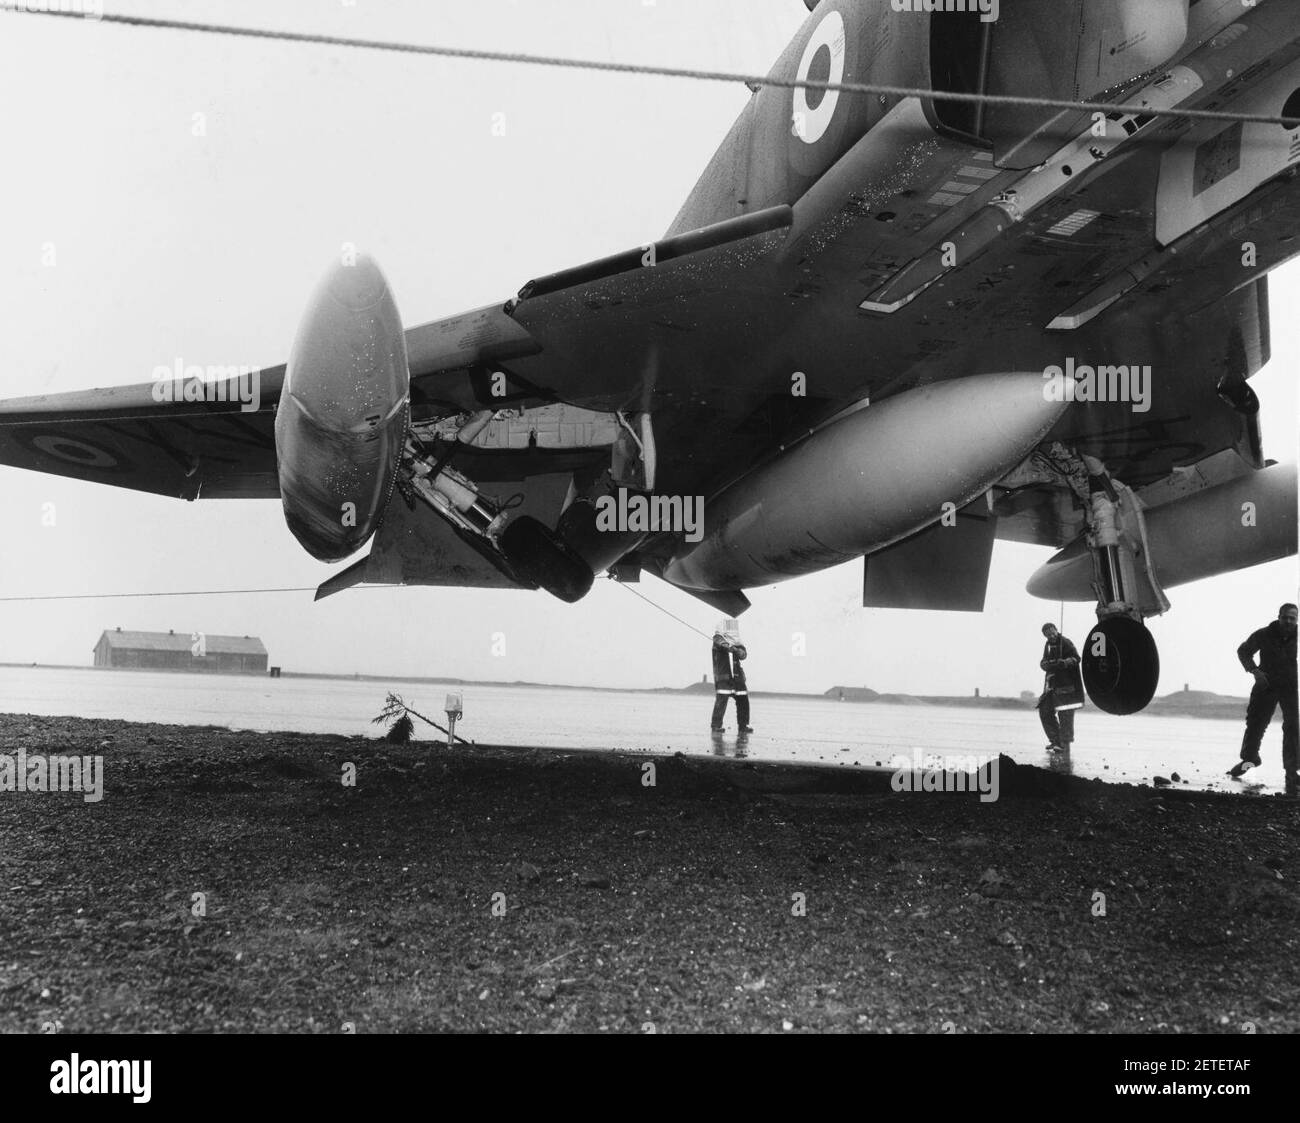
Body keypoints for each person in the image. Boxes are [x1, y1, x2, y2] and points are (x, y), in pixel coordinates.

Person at [1228, 603, 1297, 795]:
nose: (1289, 621)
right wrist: (1254, 671)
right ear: (1279, 616)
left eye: (1293, 618)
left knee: (1293, 726)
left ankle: (1291, 771)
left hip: (1290, 687)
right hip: (1265, 684)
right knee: (1256, 724)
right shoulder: (1264, 634)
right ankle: (1250, 759)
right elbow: (1243, 651)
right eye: (1286, 617)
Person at [1037, 622, 1083, 752]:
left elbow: (1076, 658)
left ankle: (1064, 744)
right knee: (1045, 711)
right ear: (1045, 636)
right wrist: (1045, 664)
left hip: (1066, 687)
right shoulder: (1048, 646)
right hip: (1051, 686)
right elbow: (1043, 661)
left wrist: (1064, 663)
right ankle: (1055, 740)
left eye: (1052, 632)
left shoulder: (1066, 642)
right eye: (1048, 634)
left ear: (1056, 630)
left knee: (1065, 715)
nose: (1051, 636)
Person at [710, 623, 752, 733]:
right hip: (724, 677)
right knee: (721, 701)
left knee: (743, 700)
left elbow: (743, 655)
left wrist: (737, 650)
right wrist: (726, 646)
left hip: (738, 678)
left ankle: (743, 726)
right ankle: (716, 726)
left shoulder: (737, 642)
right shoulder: (717, 639)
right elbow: (719, 643)